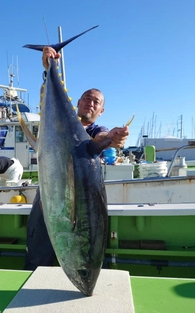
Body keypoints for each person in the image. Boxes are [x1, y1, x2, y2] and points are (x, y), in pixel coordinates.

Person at [24, 47, 129, 271]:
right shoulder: (54, 120)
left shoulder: (97, 130)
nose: (91, 103)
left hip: (77, 204)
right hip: (46, 201)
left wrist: (112, 138)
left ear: (101, 110)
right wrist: (49, 69)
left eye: (96, 102)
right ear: (78, 102)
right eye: (87, 99)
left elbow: (103, 138)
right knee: (36, 257)